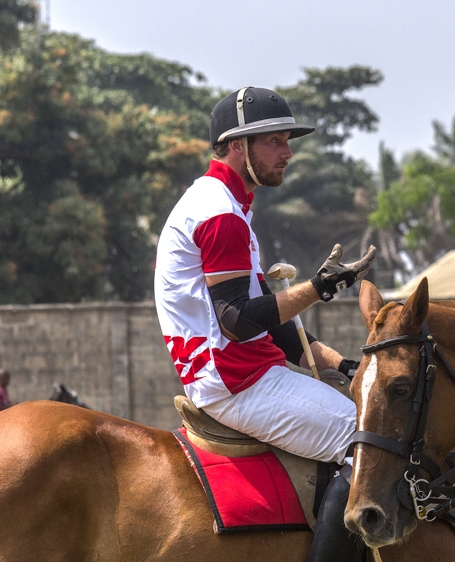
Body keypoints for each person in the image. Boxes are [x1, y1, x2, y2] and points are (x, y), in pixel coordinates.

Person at [154, 87, 375, 562]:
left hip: (243, 371)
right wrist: (317, 287)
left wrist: (345, 366)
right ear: (237, 146)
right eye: (274, 141)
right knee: (366, 445)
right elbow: (237, 321)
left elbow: (270, 324)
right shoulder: (219, 214)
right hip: (236, 379)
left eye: (286, 142)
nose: (287, 153)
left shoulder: (227, 205)